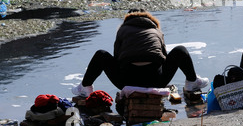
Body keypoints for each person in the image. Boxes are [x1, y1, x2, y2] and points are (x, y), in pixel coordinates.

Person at [72, 9, 209, 97]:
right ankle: (192, 82)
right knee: (180, 50)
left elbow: (117, 58)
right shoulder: (156, 31)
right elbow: (164, 58)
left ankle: (85, 87)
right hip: (157, 80)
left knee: (101, 54)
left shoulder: (122, 30)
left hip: (127, 82)